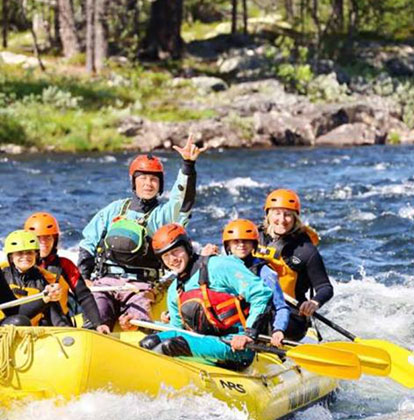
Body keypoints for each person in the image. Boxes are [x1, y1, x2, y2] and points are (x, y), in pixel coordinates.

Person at [78, 136, 205, 330]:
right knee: (96, 317)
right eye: (143, 178)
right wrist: (84, 277)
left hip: (141, 286)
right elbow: (88, 243)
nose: (148, 183)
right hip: (105, 283)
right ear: (134, 182)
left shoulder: (163, 214)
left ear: (160, 185)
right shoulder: (115, 209)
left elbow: (183, 201)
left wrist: (188, 165)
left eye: (153, 179)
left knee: (138, 322)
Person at [138, 223, 273, 370]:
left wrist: (249, 334)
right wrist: (143, 325)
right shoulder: (174, 290)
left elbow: (261, 293)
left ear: (188, 248)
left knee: (170, 346)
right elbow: (177, 329)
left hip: (235, 346)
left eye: (176, 251)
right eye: (165, 256)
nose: (172, 260)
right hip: (203, 342)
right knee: (148, 343)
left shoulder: (219, 266)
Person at [257, 189, 333, 341]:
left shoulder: (305, 250)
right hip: (257, 304)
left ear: (295, 218)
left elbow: (325, 287)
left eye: (288, 214)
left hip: (290, 313)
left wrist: (314, 302)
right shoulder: (254, 238)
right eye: (277, 213)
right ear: (268, 215)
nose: (282, 219)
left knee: (262, 319)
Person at [24, 212, 110, 333]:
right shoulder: (20, 266)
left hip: (59, 324)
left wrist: (98, 323)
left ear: (55, 239)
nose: (44, 242)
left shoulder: (65, 265)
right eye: (38, 238)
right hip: (27, 325)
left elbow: (84, 296)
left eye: (48, 237)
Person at [221, 219, 290, 348]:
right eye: (236, 241)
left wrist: (279, 330)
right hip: (228, 328)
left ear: (254, 244)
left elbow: (281, 307)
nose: (241, 245)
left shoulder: (266, 274)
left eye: (246, 241)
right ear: (228, 245)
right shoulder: (220, 267)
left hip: (255, 332)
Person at [0, 230, 70, 327]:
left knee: (23, 321)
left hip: (26, 329)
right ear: (11, 257)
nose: (25, 257)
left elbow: (15, 312)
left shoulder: (44, 281)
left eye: (29, 253)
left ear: (36, 255)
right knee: (20, 321)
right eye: (20, 253)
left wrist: (45, 298)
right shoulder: (4, 275)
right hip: (7, 327)